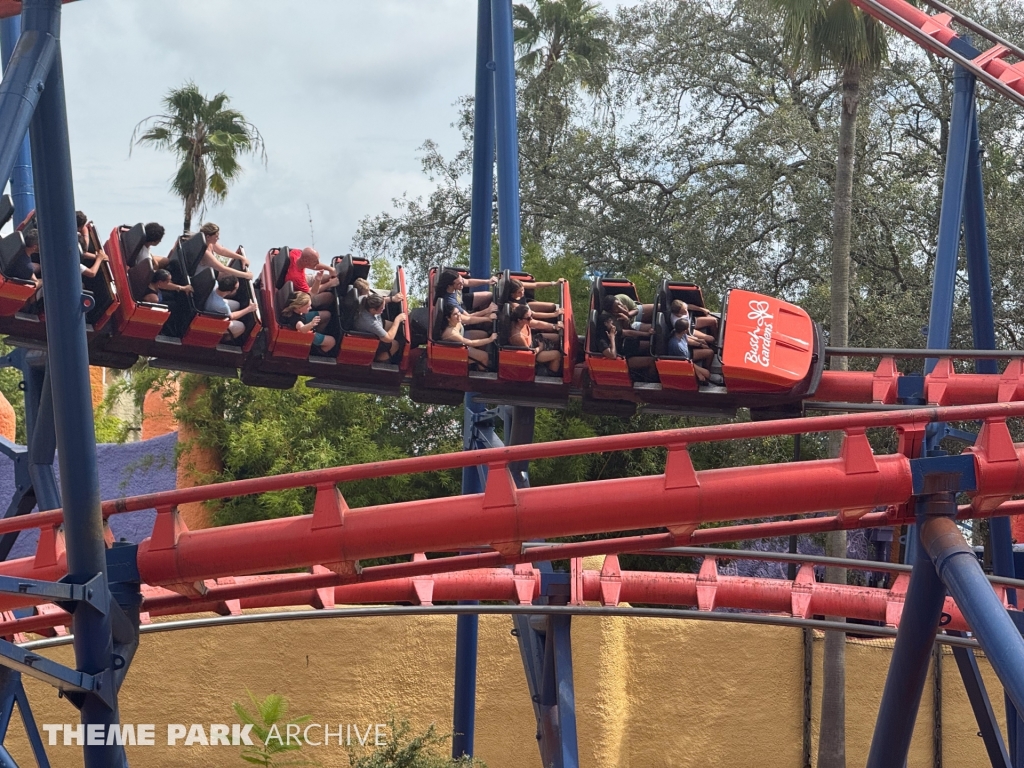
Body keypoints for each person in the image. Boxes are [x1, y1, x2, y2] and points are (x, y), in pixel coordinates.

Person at [595, 311, 656, 378]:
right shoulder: (601, 341)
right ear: (605, 323)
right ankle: (649, 380)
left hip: (627, 349)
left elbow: (629, 333)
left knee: (651, 346)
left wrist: (647, 334)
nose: (612, 322)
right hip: (623, 359)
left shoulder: (612, 330)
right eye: (610, 321)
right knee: (651, 361)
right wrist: (612, 338)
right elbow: (612, 355)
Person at [438, 302, 497, 370]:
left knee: (484, 334)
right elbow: (470, 342)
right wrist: (490, 339)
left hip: (462, 340)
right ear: (448, 318)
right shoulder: (451, 333)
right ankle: (480, 371)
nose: (458, 315)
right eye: (455, 314)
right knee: (484, 356)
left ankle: (476, 361)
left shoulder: (457, 318)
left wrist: (488, 319)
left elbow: (470, 319)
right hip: (455, 351)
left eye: (458, 312)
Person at [284, 247, 338, 318]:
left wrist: (330, 269)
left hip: (303, 278)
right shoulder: (296, 278)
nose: (318, 263)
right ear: (306, 261)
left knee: (326, 277)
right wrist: (330, 284)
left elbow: (314, 266)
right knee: (329, 296)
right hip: (302, 294)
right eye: (315, 261)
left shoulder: (296, 253)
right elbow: (312, 293)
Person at [509, 304, 562, 375]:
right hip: (534, 352)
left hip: (534, 340)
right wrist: (540, 348)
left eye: (531, 316)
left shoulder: (524, 321)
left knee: (556, 337)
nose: (531, 319)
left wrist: (554, 326)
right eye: (528, 318)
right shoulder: (518, 337)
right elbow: (529, 353)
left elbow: (537, 323)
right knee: (557, 355)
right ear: (519, 320)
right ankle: (551, 375)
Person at [354, 294, 407, 362]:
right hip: (367, 338)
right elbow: (389, 338)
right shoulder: (370, 323)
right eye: (381, 308)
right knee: (395, 344)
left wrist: (392, 298)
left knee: (395, 327)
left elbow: (381, 300)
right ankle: (379, 361)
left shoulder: (366, 300)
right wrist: (397, 320)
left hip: (375, 323)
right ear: (373, 310)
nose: (384, 308)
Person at [665, 317, 717, 384]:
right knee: (707, 374)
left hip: (688, 354)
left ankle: (706, 368)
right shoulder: (677, 346)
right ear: (684, 330)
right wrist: (699, 373)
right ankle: (703, 378)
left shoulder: (679, 333)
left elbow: (687, 338)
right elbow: (686, 362)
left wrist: (700, 343)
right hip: (685, 362)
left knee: (710, 352)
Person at [205, 275, 258, 339]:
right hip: (208, 318)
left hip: (208, 302)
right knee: (241, 327)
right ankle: (224, 340)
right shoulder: (222, 307)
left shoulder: (214, 283)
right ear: (229, 292)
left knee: (236, 304)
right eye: (236, 289)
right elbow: (231, 316)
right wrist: (249, 309)